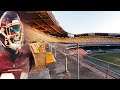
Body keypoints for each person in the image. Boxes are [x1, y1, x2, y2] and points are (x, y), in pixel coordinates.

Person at [0, 11, 34, 79]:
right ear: (2, 33)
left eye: (18, 28)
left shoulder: (28, 55)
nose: (17, 34)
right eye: (13, 29)